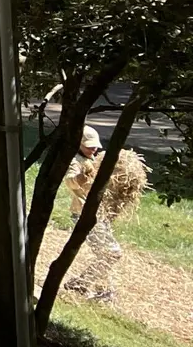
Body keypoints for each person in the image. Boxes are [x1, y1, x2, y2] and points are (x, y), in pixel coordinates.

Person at [62, 126, 149, 303]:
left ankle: (102, 290)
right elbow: (70, 181)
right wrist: (82, 177)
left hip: (99, 215)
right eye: (89, 145)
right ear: (79, 143)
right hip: (85, 214)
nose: (94, 148)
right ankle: (82, 284)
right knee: (111, 253)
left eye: (95, 145)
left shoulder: (92, 158)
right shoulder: (75, 161)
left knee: (107, 254)